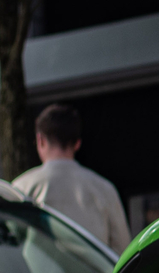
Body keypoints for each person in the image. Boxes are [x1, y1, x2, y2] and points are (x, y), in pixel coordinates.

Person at [12, 102, 132, 254]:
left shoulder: (21, 188)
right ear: (77, 143)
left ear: (40, 140)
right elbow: (123, 251)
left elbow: (9, 247)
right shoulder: (105, 189)